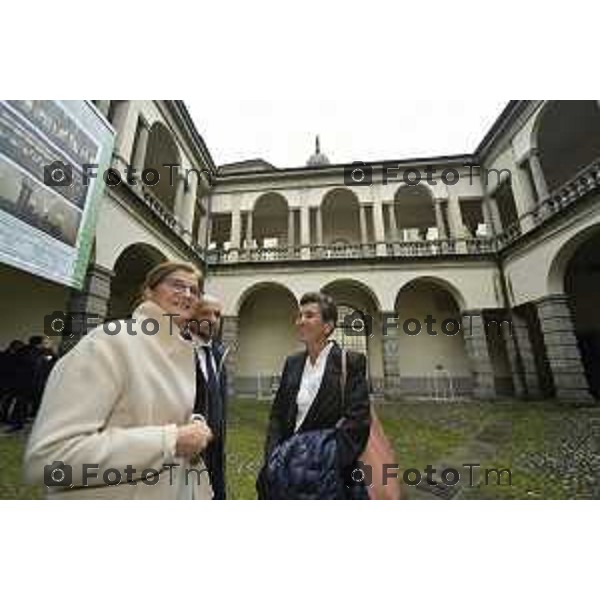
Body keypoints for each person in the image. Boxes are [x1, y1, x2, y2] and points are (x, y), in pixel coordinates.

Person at [24, 261, 214, 500]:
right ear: (148, 291)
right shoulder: (109, 342)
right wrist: (170, 441)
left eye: (194, 290)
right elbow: (50, 462)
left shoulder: (180, 351)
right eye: (177, 285)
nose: (187, 294)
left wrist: (190, 426)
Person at [256, 291, 371, 499]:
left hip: (328, 475)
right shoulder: (293, 363)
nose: (300, 321)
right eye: (299, 316)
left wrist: (323, 463)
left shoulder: (351, 362)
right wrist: (273, 458)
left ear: (327, 326)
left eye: (309, 316)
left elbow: (358, 424)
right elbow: (278, 417)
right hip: (287, 470)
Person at [188, 293, 229, 499]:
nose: (212, 320)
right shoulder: (179, 351)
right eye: (205, 313)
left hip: (215, 450)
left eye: (218, 314)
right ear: (191, 315)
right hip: (187, 453)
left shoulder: (218, 354)